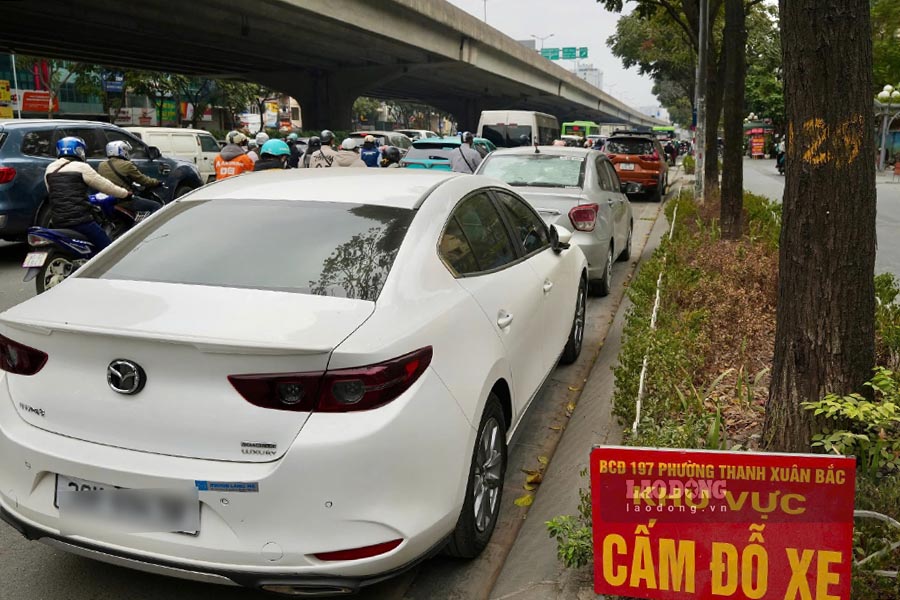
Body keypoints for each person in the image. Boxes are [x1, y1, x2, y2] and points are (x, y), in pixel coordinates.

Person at [44, 136, 132, 252]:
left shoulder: (50, 168)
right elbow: (106, 186)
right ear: (79, 151)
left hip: (57, 221)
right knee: (108, 250)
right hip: (80, 220)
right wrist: (125, 193)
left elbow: (51, 191)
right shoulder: (82, 167)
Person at [98, 141, 163, 216]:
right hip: (124, 200)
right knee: (156, 206)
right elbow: (144, 181)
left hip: (107, 199)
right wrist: (157, 182)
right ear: (121, 151)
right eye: (126, 150)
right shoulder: (127, 165)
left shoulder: (101, 165)